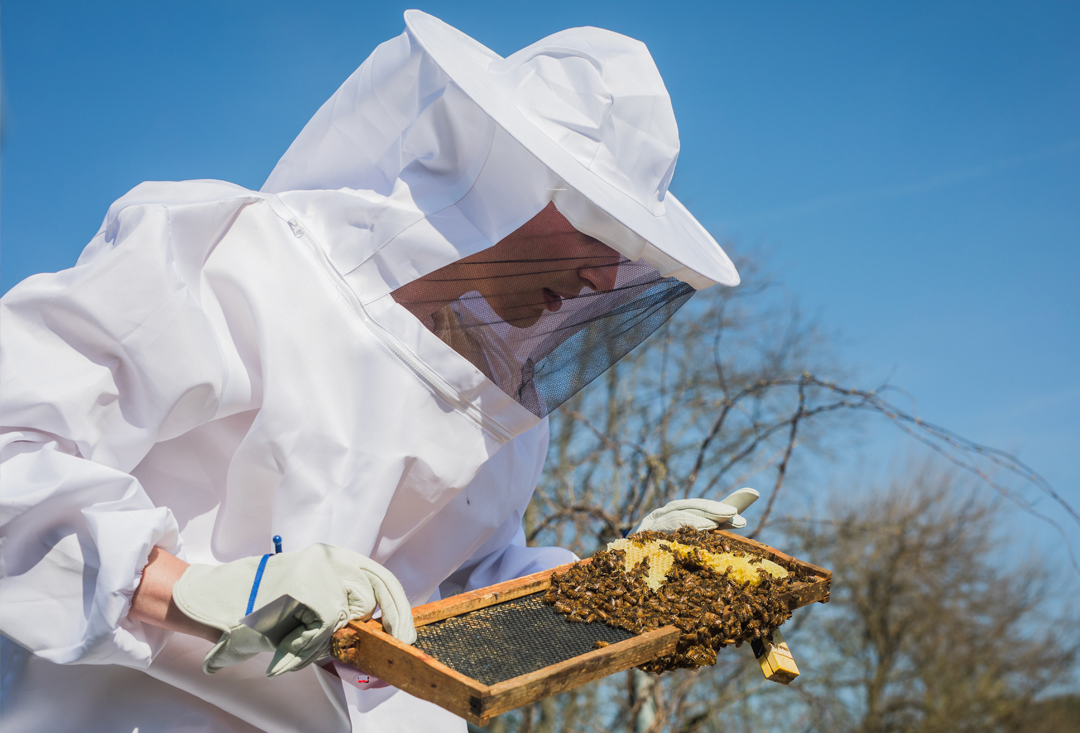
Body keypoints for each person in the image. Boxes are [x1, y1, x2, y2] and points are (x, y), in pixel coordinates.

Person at [0, 10, 757, 732]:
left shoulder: (500, 411)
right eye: (596, 230)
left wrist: (613, 590)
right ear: (504, 178)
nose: (604, 278)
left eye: (629, 253)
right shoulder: (229, 260)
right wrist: (189, 588)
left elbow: (461, 602)